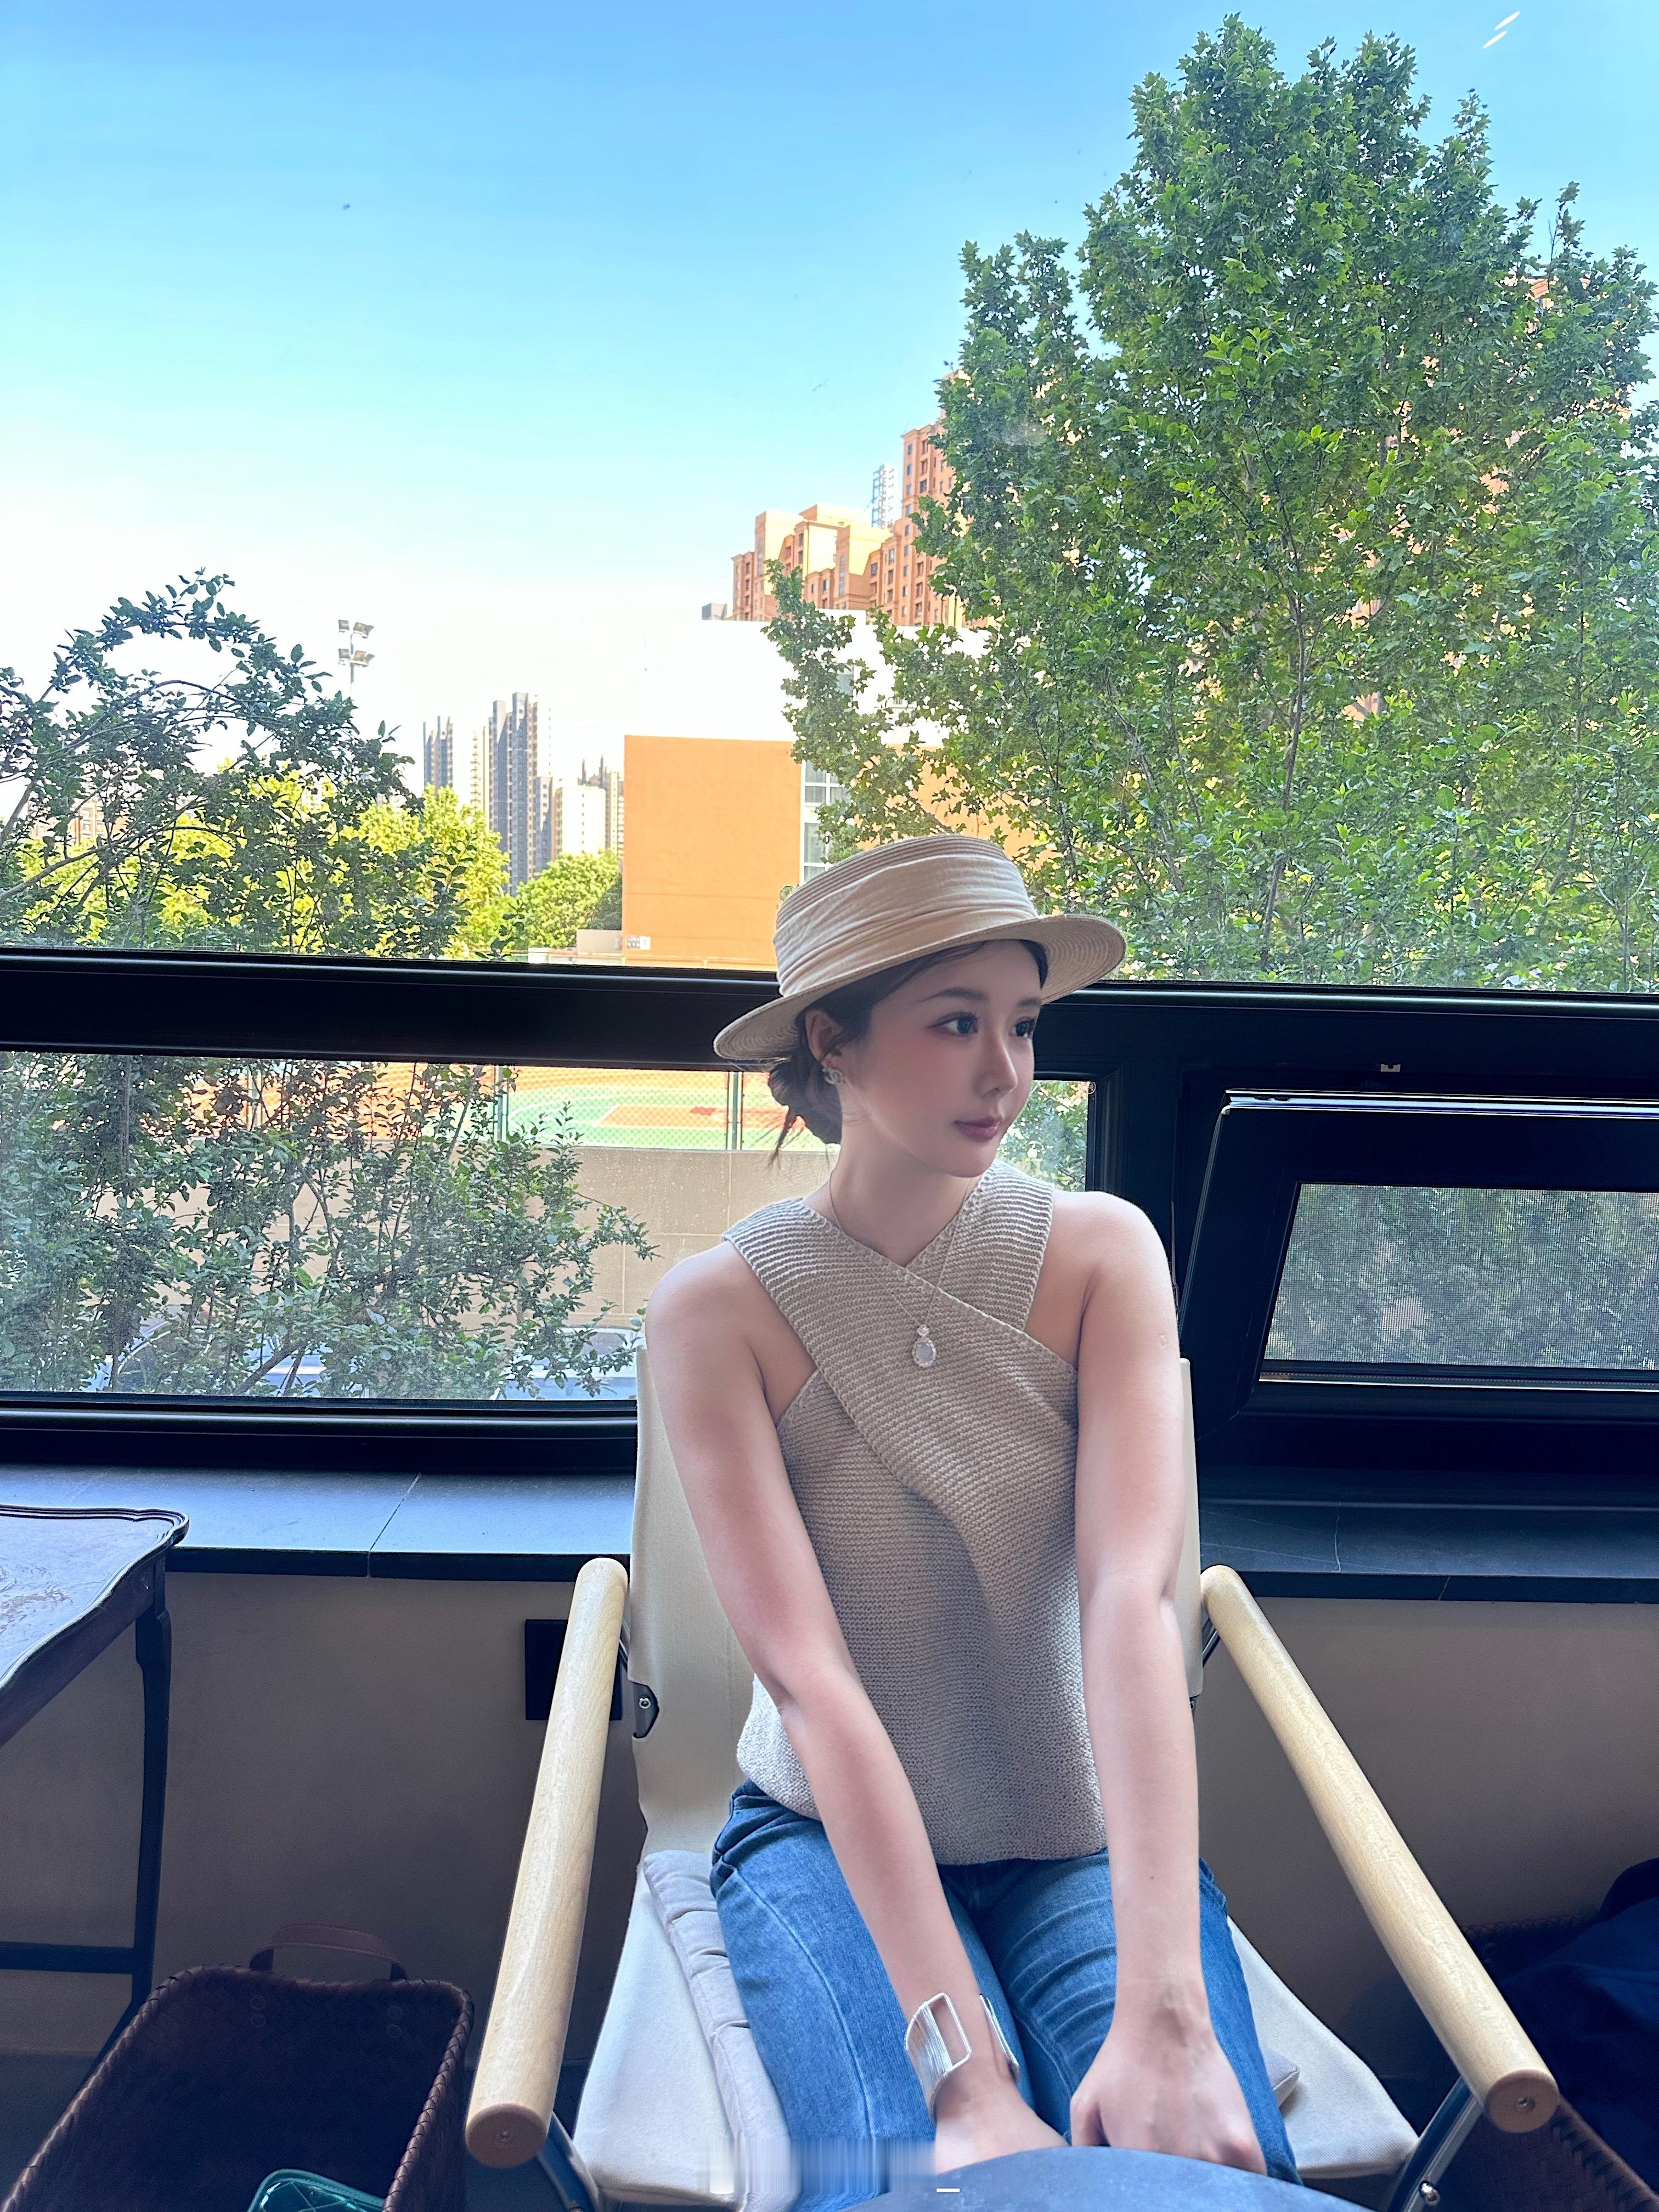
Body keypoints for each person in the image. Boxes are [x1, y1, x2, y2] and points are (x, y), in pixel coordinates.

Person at [647, 834, 1297, 2209]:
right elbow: (811, 1682)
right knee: (918, 2181)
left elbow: (1132, 1602)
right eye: (956, 1026)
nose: (1006, 1073)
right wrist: (965, 2080)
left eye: (1023, 1024)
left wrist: (1168, 2009)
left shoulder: (1103, 1253)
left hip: (1075, 1834)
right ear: (833, 1043)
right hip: (818, 1842)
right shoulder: (716, 1312)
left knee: (1201, 2164)